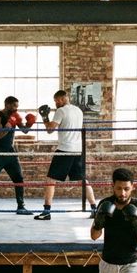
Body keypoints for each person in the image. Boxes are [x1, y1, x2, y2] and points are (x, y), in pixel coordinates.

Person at [34, 89, 97, 220]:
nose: (55, 104)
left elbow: (50, 129)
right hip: (78, 150)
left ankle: (46, 212)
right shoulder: (78, 110)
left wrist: (45, 118)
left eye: (56, 101)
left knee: (50, 180)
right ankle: (94, 209)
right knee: (83, 180)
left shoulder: (61, 111)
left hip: (64, 150)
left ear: (62, 99)